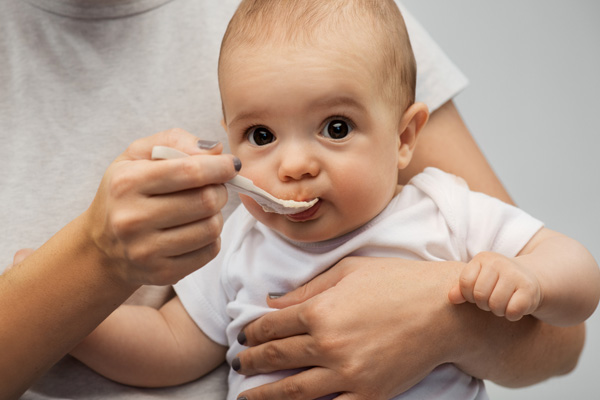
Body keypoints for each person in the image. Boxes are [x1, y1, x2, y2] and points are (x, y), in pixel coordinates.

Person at [0, 0, 587, 399]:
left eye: (335, 128)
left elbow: (574, 283)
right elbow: (173, 347)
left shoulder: (442, 209)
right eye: (261, 136)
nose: (294, 163)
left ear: (405, 138)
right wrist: (71, 310)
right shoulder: (239, 242)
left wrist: (526, 281)